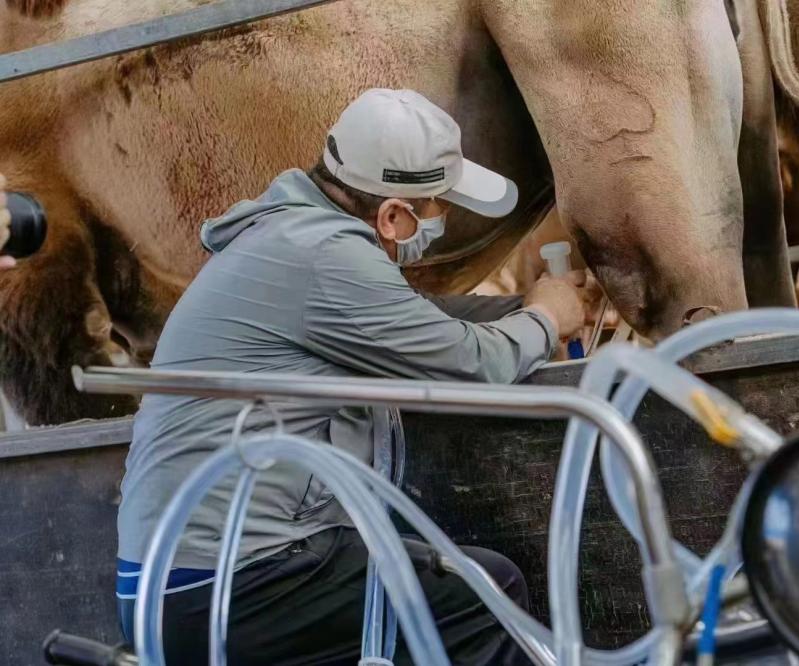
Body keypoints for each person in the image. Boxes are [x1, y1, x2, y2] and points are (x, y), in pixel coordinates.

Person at [114, 89, 586, 665]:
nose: (443, 221)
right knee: (484, 593)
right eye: (439, 206)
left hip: (183, 582)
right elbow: (473, 364)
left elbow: (421, 324)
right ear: (393, 215)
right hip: (234, 584)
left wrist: (526, 310)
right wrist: (543, 320)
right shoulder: (327, 257)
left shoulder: (294, 238)